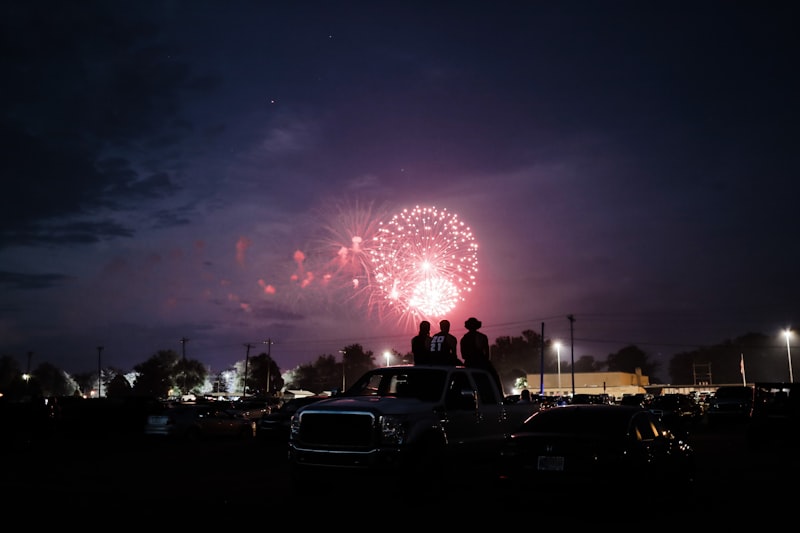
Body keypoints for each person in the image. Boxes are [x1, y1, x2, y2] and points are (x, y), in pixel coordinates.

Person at [460, 317, 503, 394]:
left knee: (460, 381)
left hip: (469, 363)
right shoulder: (482, 337)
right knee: (494, 378)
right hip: (482, 363)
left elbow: (463, 355)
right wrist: (486, 362)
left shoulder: (463, 338)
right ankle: (499, 396)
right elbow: (487, 354)